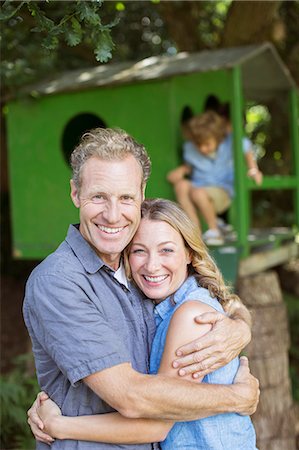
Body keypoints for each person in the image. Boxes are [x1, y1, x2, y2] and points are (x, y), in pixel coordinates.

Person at [24, 128, 258, 449]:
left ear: (141, 194)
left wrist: (241, 328)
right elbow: (132, 398)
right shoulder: (59, 282)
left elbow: (216, 299)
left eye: (125, 198)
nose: (112, 214)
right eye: (98, 196)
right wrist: (236, 397)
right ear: (75, 193)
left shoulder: (138, 274)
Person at [167, 111, 263, 245]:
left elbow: (246, 149)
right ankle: (195, 232)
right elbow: (190, 165)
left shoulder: (231, 143)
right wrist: (182, 170)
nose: (202, 149)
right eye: (198, 144)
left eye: (206, 144)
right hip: (198, 185)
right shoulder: (190, 148)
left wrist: (253, 169)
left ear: (218, 138)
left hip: (222, 190)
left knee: (198, 193)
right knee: (181, 186)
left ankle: (214, 231)